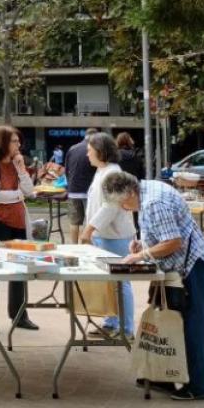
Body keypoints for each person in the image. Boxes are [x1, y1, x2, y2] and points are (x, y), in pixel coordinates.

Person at [106, 171, 204, 400]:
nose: (123, 209)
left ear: (129, 193)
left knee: (191, 325)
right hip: (177, 266)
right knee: (167, 320)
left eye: (122, 204)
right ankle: (162, 375)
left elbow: (173, 242)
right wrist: (143, 245)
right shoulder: (146, 191)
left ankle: (199, 385)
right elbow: (163, 234)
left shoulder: (154, 202)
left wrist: (141, 255)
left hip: (190, 266)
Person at [0, 126, 38, 332]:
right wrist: (17, 195)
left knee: (20, 269)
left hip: (19, 221)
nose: (18, 145)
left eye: (18, 141)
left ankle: (19, 315)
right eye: (14, 141)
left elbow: (29, 190)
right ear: (2, 142)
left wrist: (21, 169)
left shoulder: (16, 163)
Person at [78, 134, 136, 336]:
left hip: (116, 237)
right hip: (103, 235)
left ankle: (126, 328)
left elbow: (110, 207)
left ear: (100, 151)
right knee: (109, 282)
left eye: (90, 150)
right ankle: (111, 322)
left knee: (121, 281)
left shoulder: (113, 172)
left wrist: (88, 229)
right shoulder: (102, 171)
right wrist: (90, 229)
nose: (87, 153)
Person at [65, 129, 98, 243]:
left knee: (74, 222)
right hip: (88, 191)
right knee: (89, 221)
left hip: (73, 191)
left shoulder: (72, 148)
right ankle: (86, 247)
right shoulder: (94, 149)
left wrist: (70, 186)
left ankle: (74, 246)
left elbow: (67, 170)